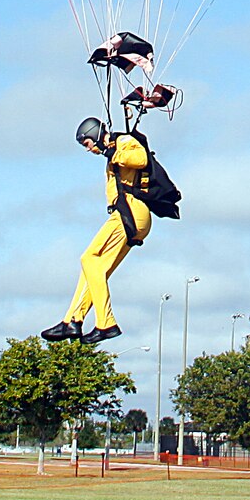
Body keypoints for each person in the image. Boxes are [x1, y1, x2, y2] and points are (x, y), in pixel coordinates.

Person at [42, 117, 150, 346]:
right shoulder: (113, 149)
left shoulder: (124, 141)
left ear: (95, 134)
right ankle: (73, 320)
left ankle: (106, 323)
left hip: (131, 211)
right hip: (128, 213)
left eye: (87, 143)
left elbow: (141, 159)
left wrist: (111, 152)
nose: (88, 149)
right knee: (95, 270)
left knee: (88, 258)